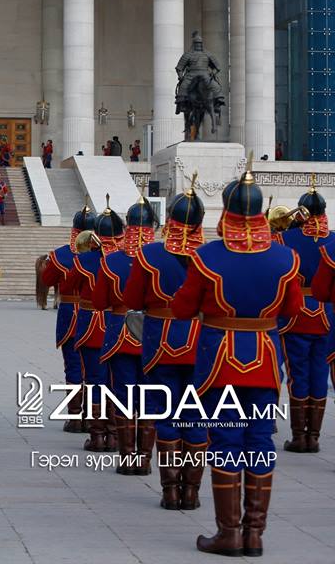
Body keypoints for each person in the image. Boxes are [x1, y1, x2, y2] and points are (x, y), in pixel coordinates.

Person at [172, 163, 302, 557]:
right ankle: (254, 535)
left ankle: (228, 533)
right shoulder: (286, 258)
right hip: (264, 358)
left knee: (226, 439)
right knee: (260, 440)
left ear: (226, 209)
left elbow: (182, 310)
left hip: (219, 360)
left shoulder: (207, 257)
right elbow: (292, 311)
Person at [123, 178, 208, 510]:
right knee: (197, 416)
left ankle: (170, 490)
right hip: (200, 343)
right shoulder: (211, 256)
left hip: (160, 341)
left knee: (164, 413)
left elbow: (133, 300)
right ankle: (192, 493)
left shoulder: (148, 254)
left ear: (170, 218)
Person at [92, 194, 155, 476]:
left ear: (127, 225)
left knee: (123, 395)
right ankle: (144, 458)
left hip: (120, 333)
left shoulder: (111, 261)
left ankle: (128, 456)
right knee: (150, 396)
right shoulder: (162, 257)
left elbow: (99, 302)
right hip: (153, 335)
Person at [63, 199, 126, 452]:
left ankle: (97, 435)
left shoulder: (84, 260)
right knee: (116, 381)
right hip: (121, 327)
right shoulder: (128, 259)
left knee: (94, 379)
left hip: (91, 324)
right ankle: (114, 434)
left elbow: (67, 286)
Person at [279, 179, 333, 453]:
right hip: (328, 314)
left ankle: (299, 436)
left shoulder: (285, 239)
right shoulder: (333, 240)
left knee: (297, 373)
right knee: (320, 372)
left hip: (296, 312)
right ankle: (314, 436)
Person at [41, 199, 95, 433]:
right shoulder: (103, 255)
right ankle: (93, 417)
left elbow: (47, 280)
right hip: (95, 316)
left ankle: (74, 417)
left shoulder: (60, 255)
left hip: (69, 314)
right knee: (94, 368)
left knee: (72, 365)